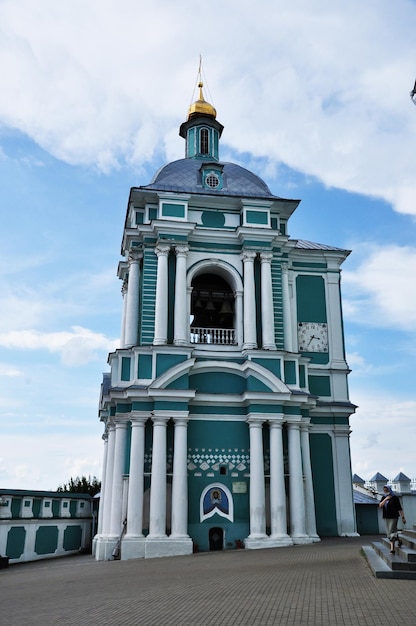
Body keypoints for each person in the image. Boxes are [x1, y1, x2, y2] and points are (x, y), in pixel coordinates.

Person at [379, 485, 406, 554]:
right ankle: (399, 540)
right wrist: (386, 499)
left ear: (389, 490)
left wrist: (403, 518)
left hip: (394, 517)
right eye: (384, 490)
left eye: (386, 490)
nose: (385, 491)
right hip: (386, 517)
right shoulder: (383, 497)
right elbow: (380, 505)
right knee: (389, 532)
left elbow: (399, 509)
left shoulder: (395, 498)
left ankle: (392, 549)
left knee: (391, 531)